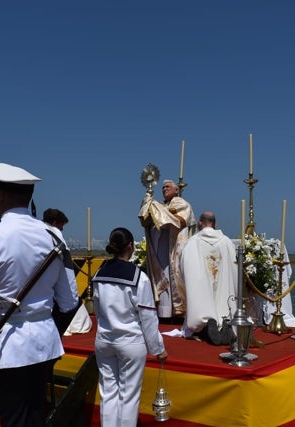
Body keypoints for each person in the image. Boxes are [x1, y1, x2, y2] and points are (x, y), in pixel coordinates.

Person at [0, 163, 79, 427]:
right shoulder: (55, 236)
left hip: (3, 351)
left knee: (7, 420)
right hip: (45, 347)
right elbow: (69, 303)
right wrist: (42, 329)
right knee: (36, 416)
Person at [92, 227, 168, 427]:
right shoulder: (138, 277)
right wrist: (158, 349)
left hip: (105, 340)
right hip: (130, 342)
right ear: (131, 246)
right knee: (128, 397)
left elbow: (98, 310)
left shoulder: (100, 273)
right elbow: (148, 318)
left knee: (108, 393)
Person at [138, 179, 195, 320]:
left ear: (177, 190)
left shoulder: (182, 204)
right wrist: (148, 201)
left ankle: (179, 311)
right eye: (163, 187)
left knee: (176, 277)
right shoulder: (159, 206)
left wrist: (158, 209)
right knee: (162, 276)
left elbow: (180, 221)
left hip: (175, 248)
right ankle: (164, 313)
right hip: (160, 249)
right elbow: (145, 219)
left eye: (168, 187)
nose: (164, 189)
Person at [179, 211, 238, 344]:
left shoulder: (193, 242)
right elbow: (235, 269)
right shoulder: (227, 242)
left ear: (200, 223)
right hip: (223, 292)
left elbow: (184, 266)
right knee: (223, 304)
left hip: (202, 290)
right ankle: (224, 325)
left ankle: (204, 325)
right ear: (215, 224)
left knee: (202, 300)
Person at [42, 208, 91, 335]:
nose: (62, 229)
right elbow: (67, 274)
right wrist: (69, 305)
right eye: (61, 225)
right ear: (54, 222)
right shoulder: (57, 237)